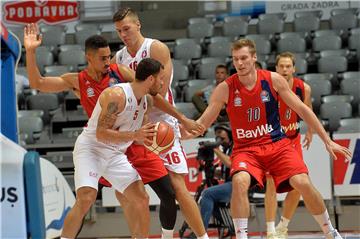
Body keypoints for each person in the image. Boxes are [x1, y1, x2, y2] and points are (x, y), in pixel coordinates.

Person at [24, 23, 203, 238]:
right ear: (88, 58)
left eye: (109, 56)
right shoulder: (79, 81)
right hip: (96, 144)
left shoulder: (121, 73)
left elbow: (152, 95)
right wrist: (31, 51)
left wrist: (182, 119)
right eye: (103, 58)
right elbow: (38, 82)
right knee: (87, 198)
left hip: (122, 146)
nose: (109, 62)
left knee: (145, 196)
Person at [196, 39, 352, 239]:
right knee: (240, 181)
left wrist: (326, 140)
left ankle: (330, 232)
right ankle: (244, 236)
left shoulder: (273, 80)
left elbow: (303, 109)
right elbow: (203, 122)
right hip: (246, 149)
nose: (240, 63)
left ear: (254, 57)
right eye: (236, 59)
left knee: (303, 182)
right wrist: (180, 131)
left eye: (244, 58)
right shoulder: (225, 88)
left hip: (277, 144)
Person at [112, 7, 209, 239]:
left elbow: (159, 93)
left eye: (126, 28)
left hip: (161, 124)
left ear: (138, 25)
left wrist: (181, 119)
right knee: (124, 192)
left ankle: (204, 237)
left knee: (177, 187)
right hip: (134, 129)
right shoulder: (119, 58)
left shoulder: (155, 48)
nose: (123, 34)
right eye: (118, 31)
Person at [64, 58, 164, 238]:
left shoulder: (145, 101)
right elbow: (101, 133)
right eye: (160, 78)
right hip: (91, 149)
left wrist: (156, 140)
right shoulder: (117, 95)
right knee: (86, 198)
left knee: (141, 198)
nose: (162, 83)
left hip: (115, 154)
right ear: (150, 79)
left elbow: (140, 136)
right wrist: (135, 136)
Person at [264, 52, 314, 239]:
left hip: (293, 140)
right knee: (270, 185)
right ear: (276, 68)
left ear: (294, 68)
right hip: (273, 140)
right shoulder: (267, 87)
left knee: (298, 186)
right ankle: (269, 231)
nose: (284, 70)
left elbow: (307, 110)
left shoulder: (304, 88)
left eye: (288, 66)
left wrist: (310, 131)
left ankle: (282, 227)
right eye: (281, 66)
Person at [199, 123, 233, 229]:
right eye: (216, 134)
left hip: (238, 184)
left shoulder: (236, 146)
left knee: (207, 193)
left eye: (220, 133)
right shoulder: (227, 149)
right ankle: (231, 227)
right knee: (209, 199)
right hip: (231, 183)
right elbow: (226, 171)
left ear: (229, 133)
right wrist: (211, 170)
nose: (217, 136)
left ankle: (201, 232)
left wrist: (215, 149)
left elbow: (230, 163)